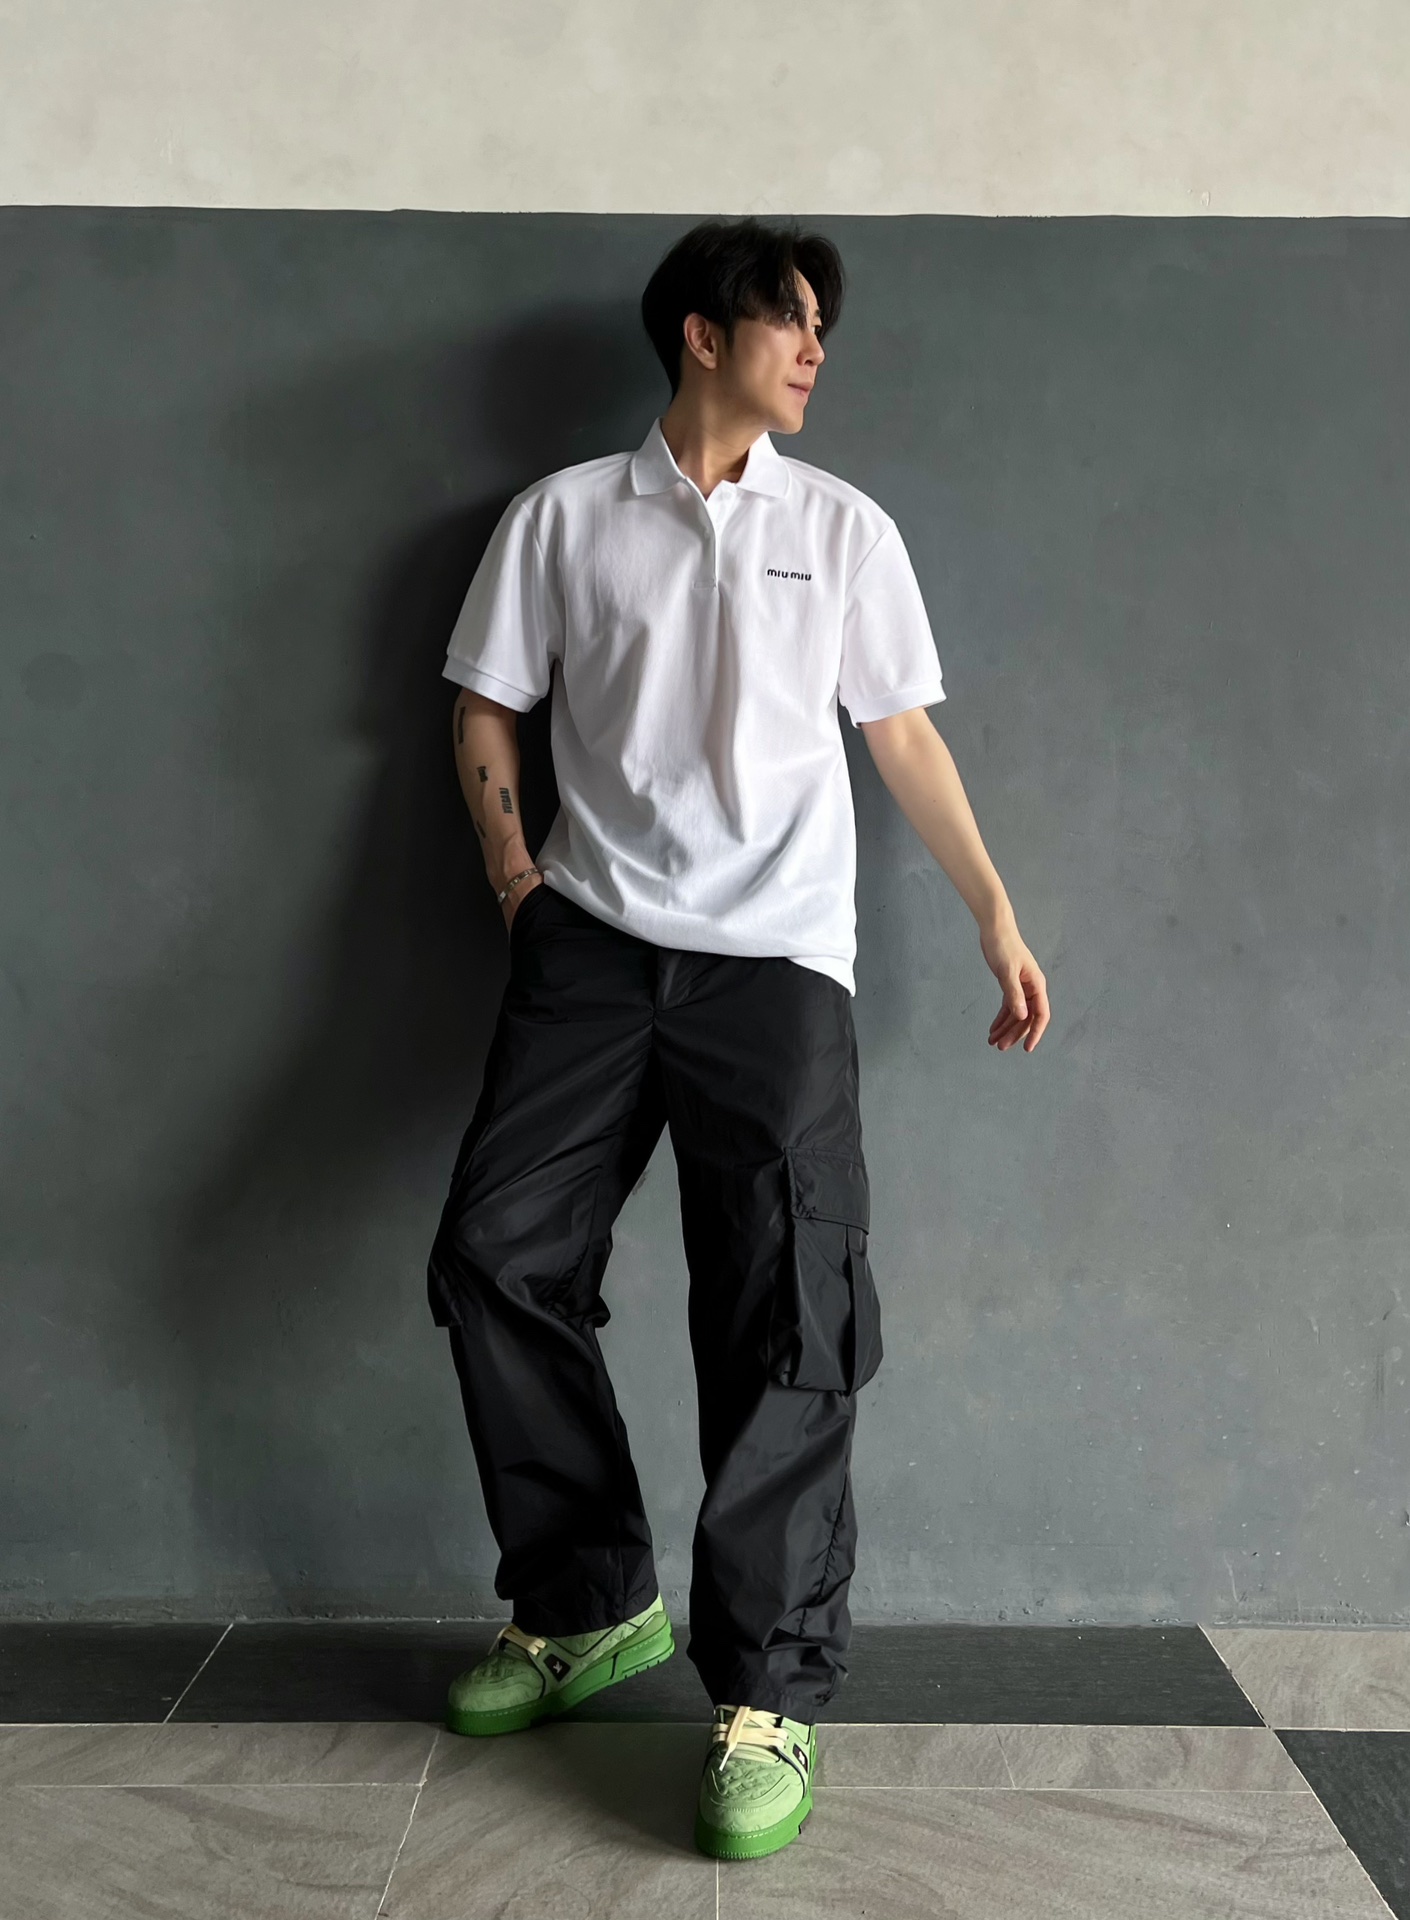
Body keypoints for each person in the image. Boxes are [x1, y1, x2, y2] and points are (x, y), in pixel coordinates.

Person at [426, 216, 1049, 1861]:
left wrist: (993, 914)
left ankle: (763, 1694)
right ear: (701, 335)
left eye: (820, 323)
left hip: (774, 967)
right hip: (589, 944)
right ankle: (586, 1605)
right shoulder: (563, 517)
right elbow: (486, 701)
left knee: (785, 1311)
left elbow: (900, 735)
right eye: (788, 319)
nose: (815, 347)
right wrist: (515, 878)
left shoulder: (841, 529)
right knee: (495, 1254)